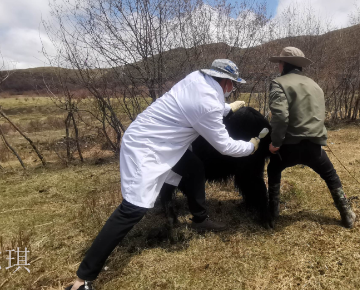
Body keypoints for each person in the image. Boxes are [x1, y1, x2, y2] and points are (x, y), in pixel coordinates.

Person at [65, 59, 261, 290]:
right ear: (226, 82)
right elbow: (225, 146)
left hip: (166, 142)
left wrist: (229, 107)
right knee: (133, 209)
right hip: (146, 147)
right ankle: (82, 279)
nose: (232, 89)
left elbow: (205, 107)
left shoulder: (197, 79)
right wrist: (252, 146)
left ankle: (200, 219)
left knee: (194, 167)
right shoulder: (206, 101)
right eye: (233, 85)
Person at [266, 47, 357, 229]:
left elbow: (281, 117)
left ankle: (272, 213)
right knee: (330, 175)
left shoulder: (278, 83)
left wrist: (275, 143)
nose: (278, 65)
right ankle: (346, 213)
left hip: (288, 147)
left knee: (273, 169)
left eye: (279, 62)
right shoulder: (315, 85)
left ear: (283, 64)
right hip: (314, 146)